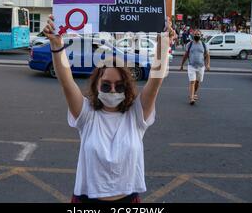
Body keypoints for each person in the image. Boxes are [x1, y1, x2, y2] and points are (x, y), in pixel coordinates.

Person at [43, 15, 174, 203]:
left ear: (127, 88)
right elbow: (66, 80)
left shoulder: (137, 115)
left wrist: (163, 41)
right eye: (106, 85)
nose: (112, 90)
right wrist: (56, 44)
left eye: (119, 86)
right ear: (96, 86)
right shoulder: (86, 114)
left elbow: (156, 80)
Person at [179, 30, 210, 105]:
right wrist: (182, 65)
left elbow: (207, 55)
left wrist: (208, 64)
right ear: (193, 35)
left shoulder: (204, 45)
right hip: (191, 66)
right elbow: (186, 55)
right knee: (192, 82)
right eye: (195, 34)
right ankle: (192, 98)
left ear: (200, 35)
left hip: (201, 66)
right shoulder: (189, 44)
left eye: (198, 34)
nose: (197, 35)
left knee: (197, 82)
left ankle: (194, 93)